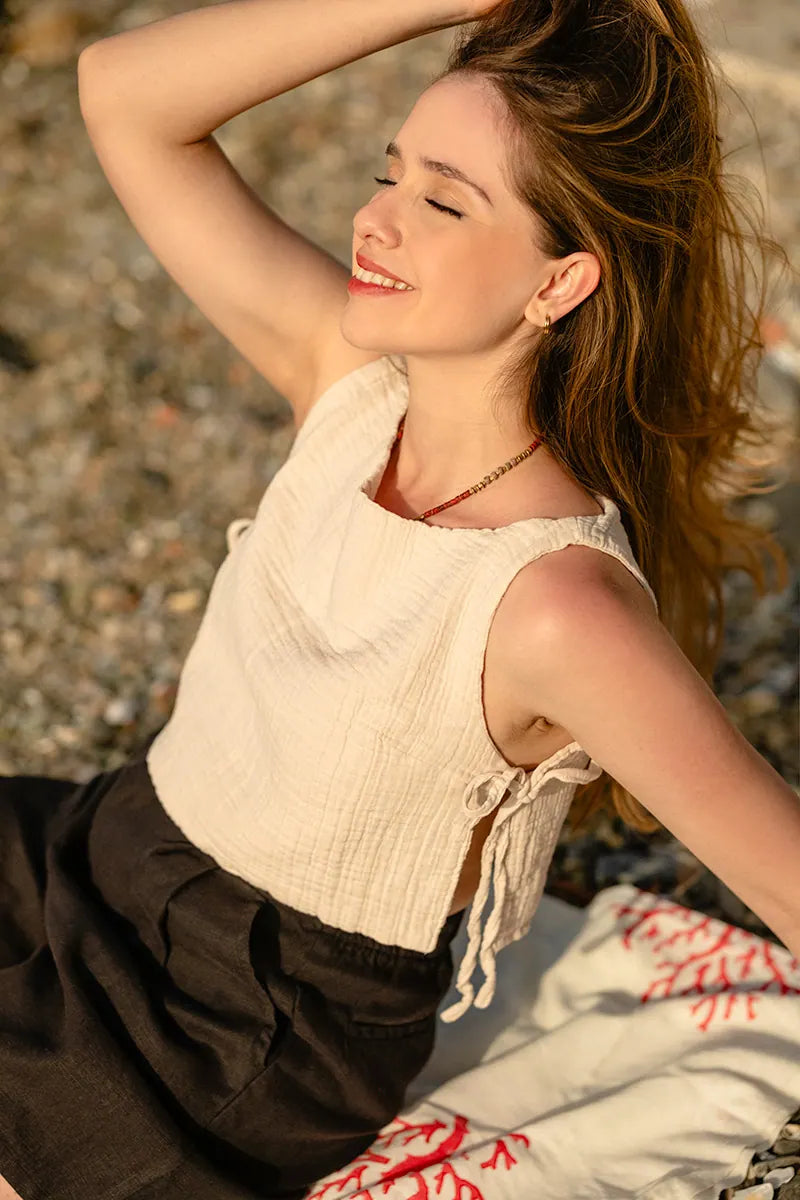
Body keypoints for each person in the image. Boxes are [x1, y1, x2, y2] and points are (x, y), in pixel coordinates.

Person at [2, 0, 796, 1195]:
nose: (375, 216)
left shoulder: (552, 602)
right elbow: (124, 95)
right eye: (388, 172)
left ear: (560, 280)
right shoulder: (350, 387)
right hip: (100, 851)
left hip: (232, 1036)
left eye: (442, 200)